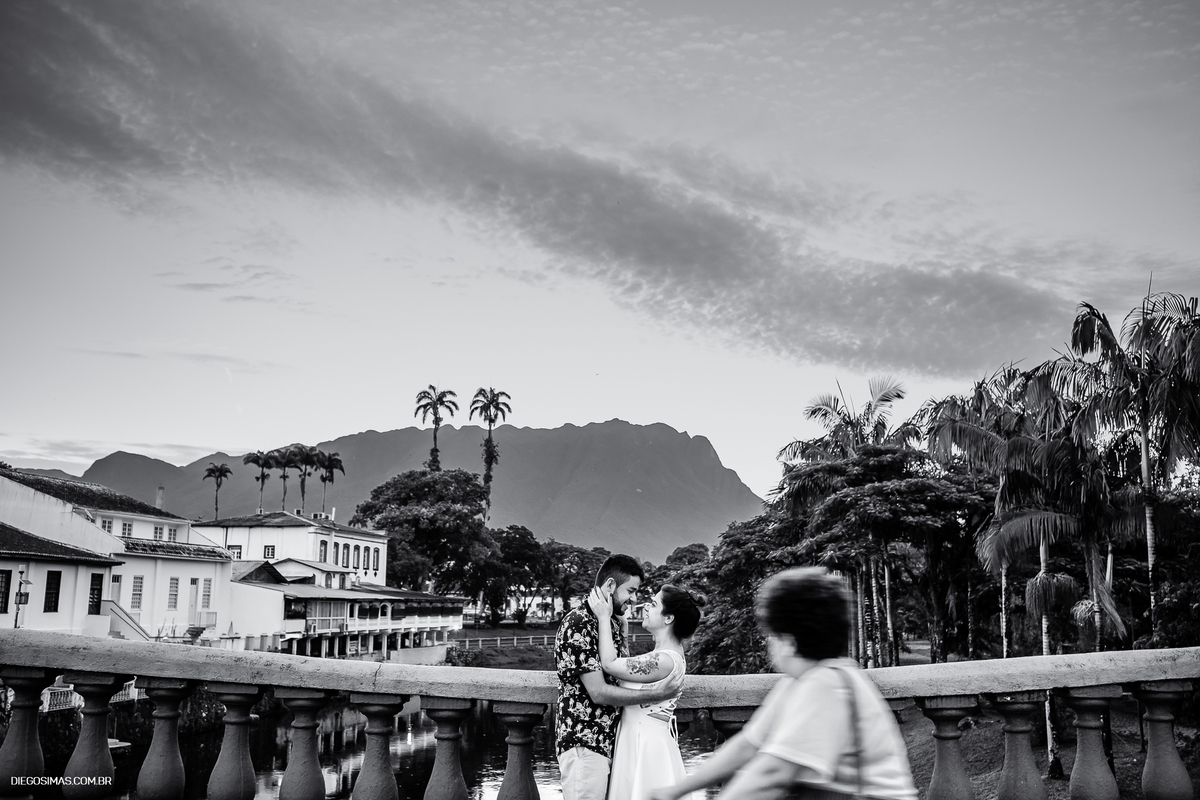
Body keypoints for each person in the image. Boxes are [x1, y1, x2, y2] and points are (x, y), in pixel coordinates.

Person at [649, 567, 917, 800]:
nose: (768, 644)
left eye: (770, 635)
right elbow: (746, 745)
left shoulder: (827, 685)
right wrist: (677, 789)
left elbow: (773, 772)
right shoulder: (798, 683)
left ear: (788, 642)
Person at [556, 554, 685, 800]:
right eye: (631, 591)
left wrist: (621, 630)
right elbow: (599, 692)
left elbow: (620, 671)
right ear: (611, 586)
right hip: (585, 741)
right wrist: (656, 694)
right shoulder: (579, 623)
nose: (635, 599)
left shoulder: (611, 622)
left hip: (610, 741)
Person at [587, 583, 705, 800]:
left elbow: (611, 664)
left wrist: (604, 618)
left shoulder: (664, 660)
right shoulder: (664, 655)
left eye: (653, 604)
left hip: (646, 744)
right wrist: (622, 634)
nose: (646, 607)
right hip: (640, 736)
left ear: (668, 618)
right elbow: (631, 669)